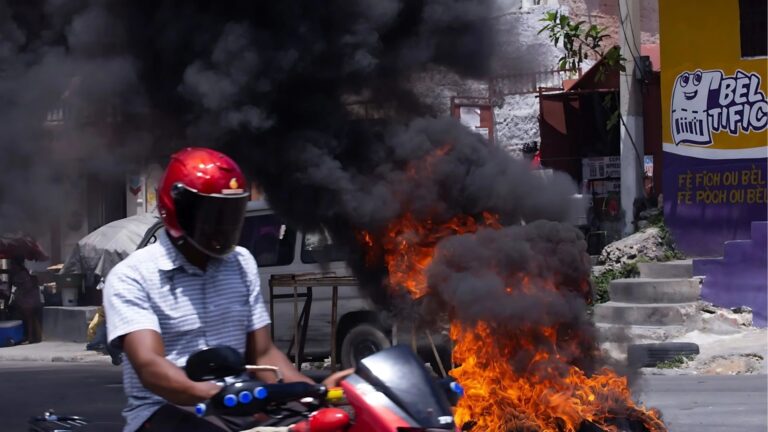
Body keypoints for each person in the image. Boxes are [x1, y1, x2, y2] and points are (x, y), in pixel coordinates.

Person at [105, 148, 350, 432]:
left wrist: (309, 393)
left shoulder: (241, 263)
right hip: (165, 411)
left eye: (233, 215)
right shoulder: (133, 276)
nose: (225, 227)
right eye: (214, 216)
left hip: (239, 407)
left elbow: (263, 353)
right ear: (177, 210)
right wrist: (210, 393)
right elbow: (149, 365)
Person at [8, 257, 42, 343]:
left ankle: (30, 337)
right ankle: (32, 337)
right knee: (30, 319)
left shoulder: (21, 274)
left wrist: (18, 294)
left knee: (29, 319)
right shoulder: (23, 272)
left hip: (28, 301)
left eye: (12, 264)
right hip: (30, 300)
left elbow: (25, 287)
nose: (11, 266)